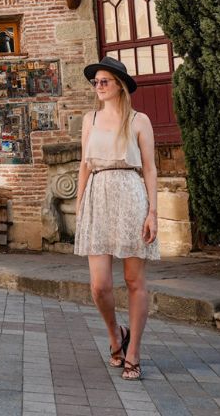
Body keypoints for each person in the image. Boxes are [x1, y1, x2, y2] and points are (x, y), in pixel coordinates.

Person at [74, 55, 159, 381]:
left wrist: (152, 212)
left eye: (104, 81)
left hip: (130, 196)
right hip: (98, 195)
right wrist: (80, 205)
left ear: (119, 85)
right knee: (99, 286)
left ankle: (133, 352)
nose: (98, 86)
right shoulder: (89, 119)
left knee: (135, 281)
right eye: (95, 82)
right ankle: (115, 335)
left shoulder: (139, 120)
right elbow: (84, 164)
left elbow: (150, 168)